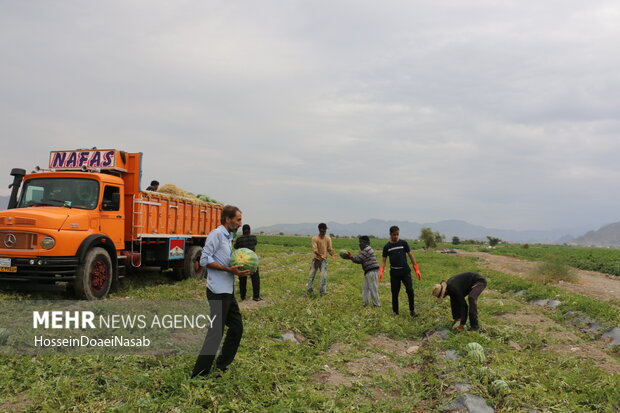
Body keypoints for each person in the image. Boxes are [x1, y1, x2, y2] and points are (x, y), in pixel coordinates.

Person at [191, 205, 250, 378]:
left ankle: (222, 364)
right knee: (215, 333)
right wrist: (229, 270)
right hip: (217, 291)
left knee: (237, 328)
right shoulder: (216, 234)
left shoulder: (228, 237)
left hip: (227, 291)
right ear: (227, 219)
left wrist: (243, 268)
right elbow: (204, 259)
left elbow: (228, 262)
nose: (240, 223)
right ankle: (199, 374)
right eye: (238, 219)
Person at [381, 226, 418, 317]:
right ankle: (395, 312)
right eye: (394, 234)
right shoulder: (387, 247)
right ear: (390, 234)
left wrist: (416, 268)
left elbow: (410, 255)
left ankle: (412, 311)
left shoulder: (403, 243)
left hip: (405, 271)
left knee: (410, 290)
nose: (396, 236)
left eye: (397, 234)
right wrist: (381, 271)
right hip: (394, 273)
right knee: (394, 293)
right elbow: (384, 260)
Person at [344, 235, 380, 307]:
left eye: (360, 242)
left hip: (372, 271)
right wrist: (350, 257)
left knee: (373, 288)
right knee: (365, 289)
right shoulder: (366, 250)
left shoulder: (367, 249)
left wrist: (350, 257)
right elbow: (358, 259)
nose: (359, 244)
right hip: (368, 271)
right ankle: (365, 303)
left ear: (365, 242)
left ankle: (377, 305)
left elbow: (358, 259)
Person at [234, 224, 262, 301]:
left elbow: (235, 247)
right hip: (253, 262)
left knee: (242, 280)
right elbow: (255, 243)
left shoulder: (239, 239)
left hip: (243, 262)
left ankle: (243, 297)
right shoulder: (253, 238)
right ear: (249, 230)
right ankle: (256, 296)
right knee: (255, 279)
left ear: (243, 230)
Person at [307, 223, 336, 296]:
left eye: (325, 230)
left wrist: (332, 254)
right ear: (319, 229)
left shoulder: (328, 238)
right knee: (311, 276)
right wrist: (320, 255)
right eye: (322, 230)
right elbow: (315, 250)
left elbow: (329, 248)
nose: (324, 232)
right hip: (316, 259)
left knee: (323, 277)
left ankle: (323, 293)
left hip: (323, 260)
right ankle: (309, 290)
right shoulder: (315, 238)